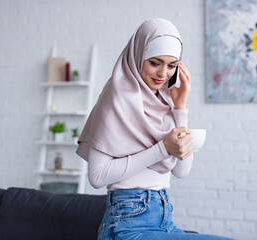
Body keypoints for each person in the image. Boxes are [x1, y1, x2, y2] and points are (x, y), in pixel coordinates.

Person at [76, 18, 234, 240]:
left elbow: (181, 171)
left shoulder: (165, 100)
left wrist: (180, 108)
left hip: (163, 217)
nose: (163, 74)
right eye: (155, 63)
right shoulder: (115, 97)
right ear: (138, 55)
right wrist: (162, 149)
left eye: (172, 65)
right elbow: (97, 176)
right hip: (127, 222)